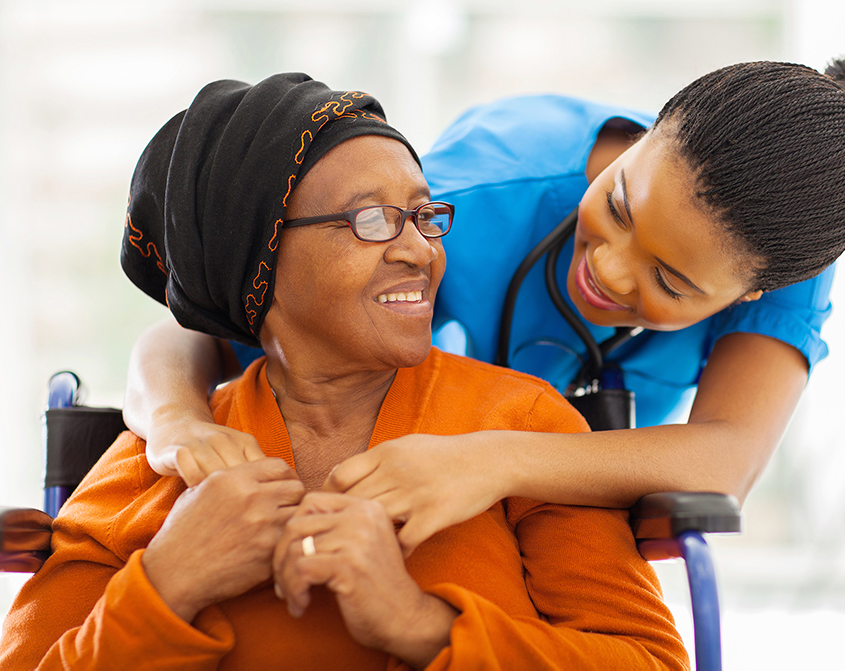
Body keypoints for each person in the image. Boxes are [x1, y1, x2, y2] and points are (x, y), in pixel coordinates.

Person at [0, 74, 687, 670]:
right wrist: (169, 583)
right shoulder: (161, 458)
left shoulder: (522, 424)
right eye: (372, 220)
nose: (420, 250)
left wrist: (416, 623)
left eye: (424, 214)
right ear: (258, 261)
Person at [123, 56, 845, 554]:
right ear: (649, 133)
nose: (612, 274)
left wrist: (490, 457)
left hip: (534, 551)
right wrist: (177, 423)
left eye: (672, 282)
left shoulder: (782, 258)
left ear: (753, 292)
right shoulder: (475, 195)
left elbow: (726, 460)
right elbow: (185, 333)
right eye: (618, 205)